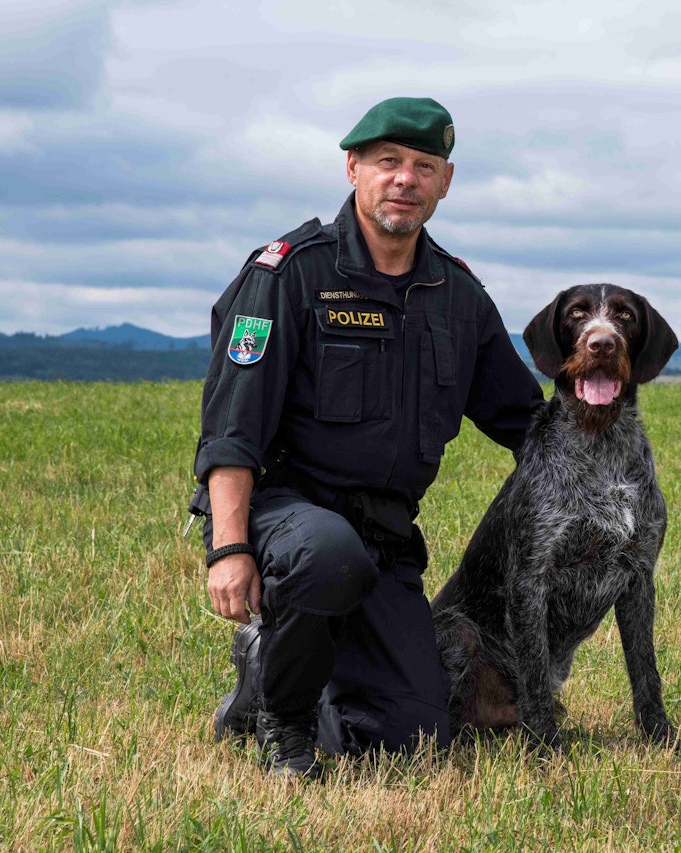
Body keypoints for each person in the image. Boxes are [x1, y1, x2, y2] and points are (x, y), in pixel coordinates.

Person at [190, 96, 545, 779]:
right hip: (283, 515)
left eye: (423, 166)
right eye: (388, 163)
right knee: (328, 555)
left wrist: (603, 449)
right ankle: (284, 729)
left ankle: (268, 665)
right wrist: (229, 547)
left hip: (381, 542)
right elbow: (232, 429)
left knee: (413, 736)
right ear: (353, 168)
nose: (405, 179)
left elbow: (526, 421)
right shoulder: (290, 274)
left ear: (445, 182)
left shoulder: (458, 295)